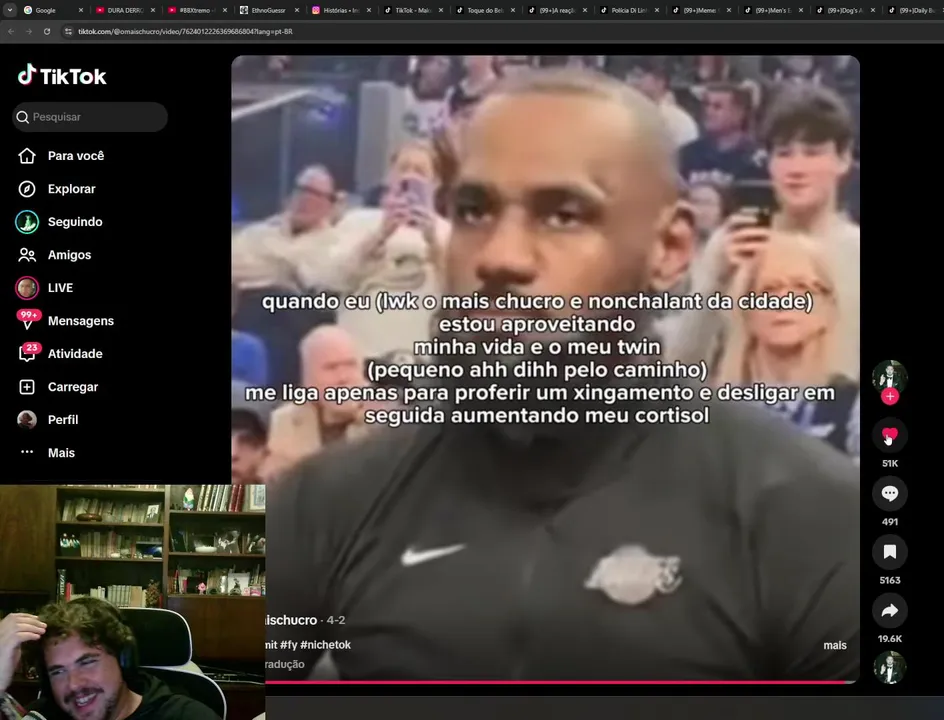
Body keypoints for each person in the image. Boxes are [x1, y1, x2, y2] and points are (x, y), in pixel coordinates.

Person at [268, 68, 859, 682]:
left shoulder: (814, 509)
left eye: (564, 215)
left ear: (670, 248)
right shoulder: (316, 498)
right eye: (473, 211)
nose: (500, 256)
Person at [670, 82, 860, 382]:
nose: (796, 169)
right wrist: (715, 281)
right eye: (784, 154)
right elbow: (679, 366)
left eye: (812, 153)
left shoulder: (855, 252)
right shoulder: (732, 243)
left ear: (843, 159)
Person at [714, 231, 858, 457]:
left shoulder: (852, 407)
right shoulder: (717, 411)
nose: (784, 301)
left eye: (802, 287)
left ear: (828, 309)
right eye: (769, 290)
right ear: (747, 313)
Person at [0, 598, 220, 720]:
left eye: (87, 662)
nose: (74, 685)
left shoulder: (187, 716)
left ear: (123, 659)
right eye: (58, 671)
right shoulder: (43, 716)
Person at [329, 141, 449, 358]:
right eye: (403, 168)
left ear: (436, 184)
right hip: (358, 351)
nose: (409, 176)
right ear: (389, 177)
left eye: (420, 171)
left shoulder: (449, 232)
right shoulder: (356, 221)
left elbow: (459, 295)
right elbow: (331, 281)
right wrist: (380, 235)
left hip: (417, 355)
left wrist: (432, 241)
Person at [262, 325, 368, 480]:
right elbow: (258, 491)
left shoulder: (389, 421)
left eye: (351, 365)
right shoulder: (280, 422)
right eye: (331, 368)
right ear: (307, 378)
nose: (343, 378)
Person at [231, 165, 343, 292]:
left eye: (316, 195)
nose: (305, 199)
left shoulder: (333, 244)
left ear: (328, 204)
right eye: (302, 190)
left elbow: (317, 281)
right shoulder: (257, 233)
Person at [678, 83, 768, 188]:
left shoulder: (756, 160)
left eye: (717, 107)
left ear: (739, 113)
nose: (708, 112)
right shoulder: (687, 154)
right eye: (706, 105)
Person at [625, 57, 699, 149]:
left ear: (660, 81)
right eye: (630, 76)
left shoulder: (679, 122)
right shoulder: (622, 115)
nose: (632, 82)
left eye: (639, 76)